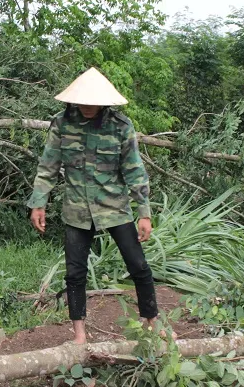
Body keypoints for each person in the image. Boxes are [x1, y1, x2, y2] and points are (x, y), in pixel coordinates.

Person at [27, 67, 162, 344]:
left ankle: (153, 324)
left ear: (104, 101)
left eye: (93, 102)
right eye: (82, 101)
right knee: (75, 273)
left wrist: (144, 212)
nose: (87, 107)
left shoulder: (121, 126)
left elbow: (134, 170)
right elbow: (48, 166)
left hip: (114, 206)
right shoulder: (62, 123)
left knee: (138, 266)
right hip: (76, 209)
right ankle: (79, 336)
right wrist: (38, 203)